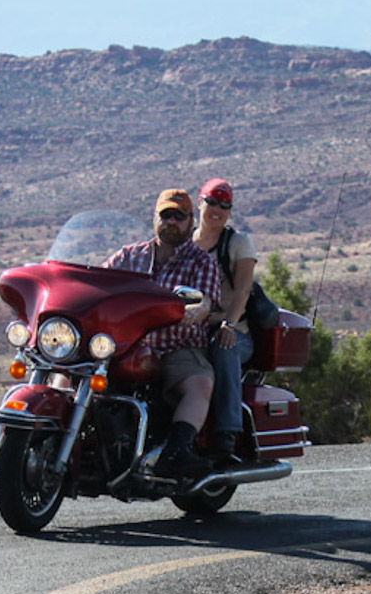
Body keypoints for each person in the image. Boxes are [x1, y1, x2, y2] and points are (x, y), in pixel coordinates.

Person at [101, 188, 224, 478]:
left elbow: (206, 299)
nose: (171, 222)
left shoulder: (200, 261)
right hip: (127, 346)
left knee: (200, 384)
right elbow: (99, 284)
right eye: (165, 215)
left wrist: (196, 309)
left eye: (179, 217)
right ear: (154, 218)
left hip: (176, 348)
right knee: (71, 367)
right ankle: (38, 431)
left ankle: (177, 451)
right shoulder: (129, 256)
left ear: (191, 221)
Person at [192, 178, 259, 461]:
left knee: (223, 346)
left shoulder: (238, 243)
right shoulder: (185, 244)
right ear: (200, 202)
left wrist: (228, 324)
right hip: (191, 329)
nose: (217, 210)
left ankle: (227, 434)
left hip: (234, 331)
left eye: (225, 205)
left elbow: (243, 289)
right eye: (212, 202)